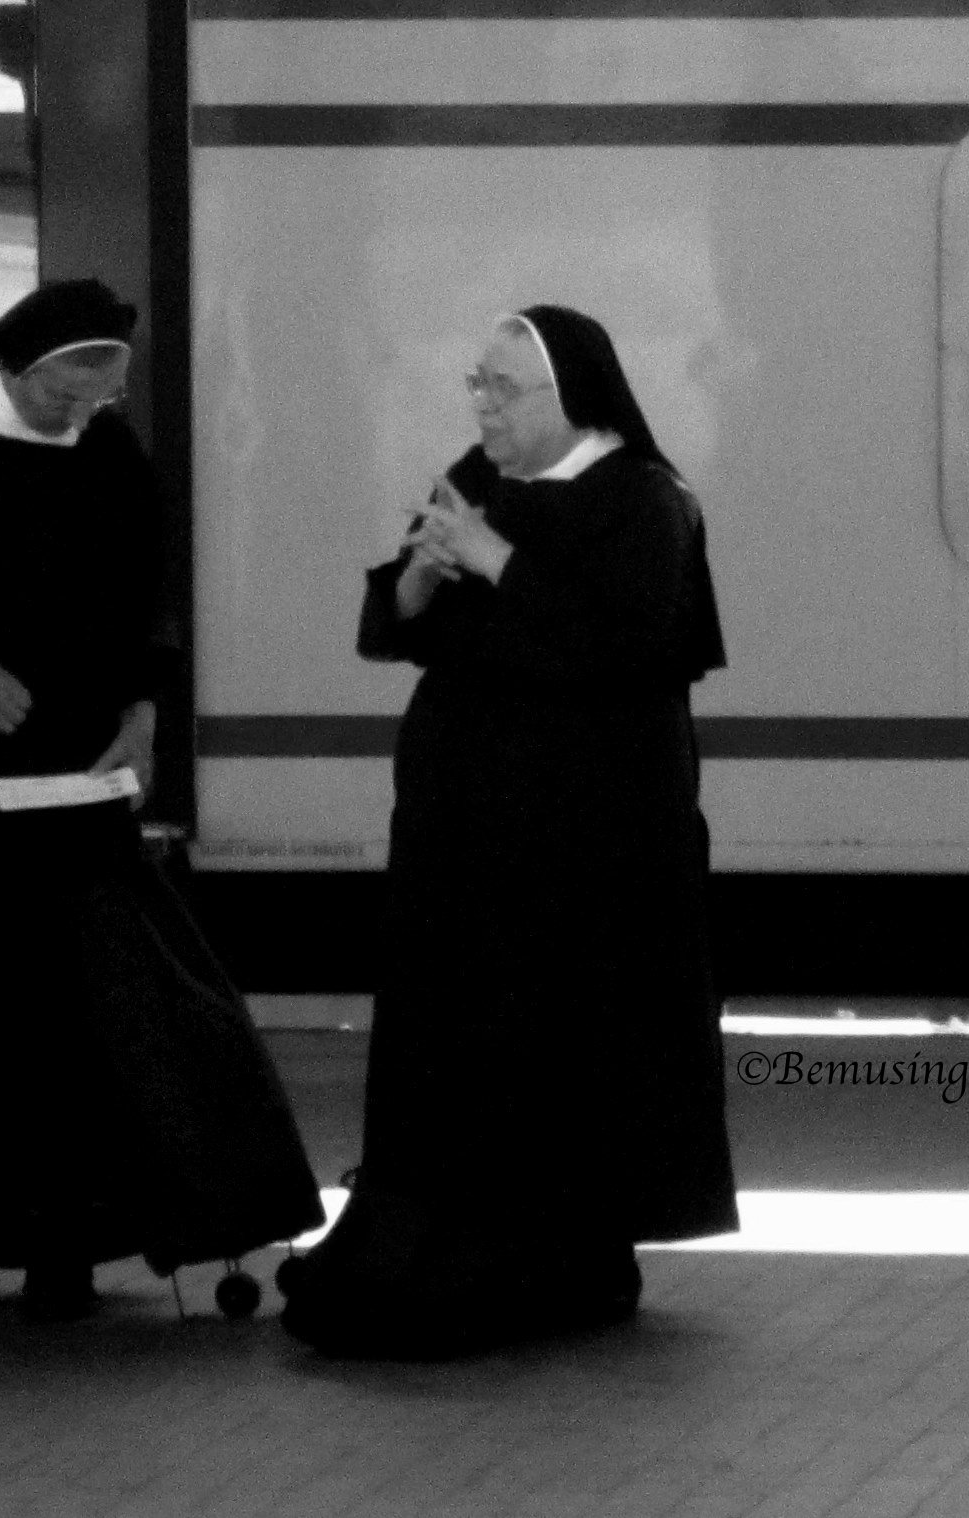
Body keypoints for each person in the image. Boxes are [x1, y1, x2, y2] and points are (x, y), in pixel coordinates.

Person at [0, 279, 320, 1326]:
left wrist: (143, 712)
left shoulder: (107, 450)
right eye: (66, 396)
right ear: (20, 368)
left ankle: (65, 1247)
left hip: (64, 771)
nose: (80, 415)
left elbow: (146, 598)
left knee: (70, 1014)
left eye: (100, 398)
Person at [277, 305, 738, 1358]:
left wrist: (497, 563)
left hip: (587, 844)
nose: (481, 406)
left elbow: (628, 651)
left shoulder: (645, 499)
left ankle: (563, 1255)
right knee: (452, 1032)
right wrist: (418, 579)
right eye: (475, 384)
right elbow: (396, 630)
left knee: (567, 1038)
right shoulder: (476, 479)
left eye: (501, 389)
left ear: (567, 398)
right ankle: (432, 1239)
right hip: (460, 831)